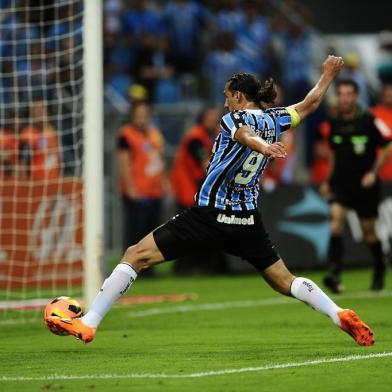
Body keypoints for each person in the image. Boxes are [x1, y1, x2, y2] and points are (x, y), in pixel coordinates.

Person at [47, 56, 375, 348]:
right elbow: (310, 104)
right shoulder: (277, 119)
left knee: (135, 255)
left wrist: (262, 147)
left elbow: (244, 134)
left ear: (238, 96)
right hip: (247, 221)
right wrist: (328, 74)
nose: (225, 102)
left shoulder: (233, 119)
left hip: (210, 215)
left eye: (227, 96)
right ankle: (338, 313)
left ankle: (89, 323)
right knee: (285, 281)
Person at [320, 80, 392, 294]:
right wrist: (327, 179)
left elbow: (388, 144)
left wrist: (373, 172)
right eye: (341, 94)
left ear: (356, 96)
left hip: (365, 184)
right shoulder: (333, 123)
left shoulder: (370, 120)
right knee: (336, 223)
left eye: (348, 94)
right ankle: (335, 275)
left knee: (369, 232)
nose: (344, 98)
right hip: (341, 183)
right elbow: (333, 154)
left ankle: (379, 268)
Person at [170, 107, 229, 275]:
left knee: (197, 228)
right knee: (188, 229)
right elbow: (206, 164)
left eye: (216, 117)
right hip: (188, 188)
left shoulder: (211, 135)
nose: (213, 120)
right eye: (210, 117)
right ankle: (185, 268)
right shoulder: (195, 138)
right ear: (202, 118)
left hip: (200, 189)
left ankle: (197, 266)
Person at [116, 102, 165, 270]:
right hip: (137, 191)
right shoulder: (126, 135)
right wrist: (130, 188)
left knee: (152, 233)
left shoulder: (154, 134)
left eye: (145, 114)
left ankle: (149, 268)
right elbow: (123, 162)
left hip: (155, 191)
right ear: (133, 115)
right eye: (139, 114)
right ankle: (130, 267)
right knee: (136, 232)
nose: (142, 118)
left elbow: (159, 160)